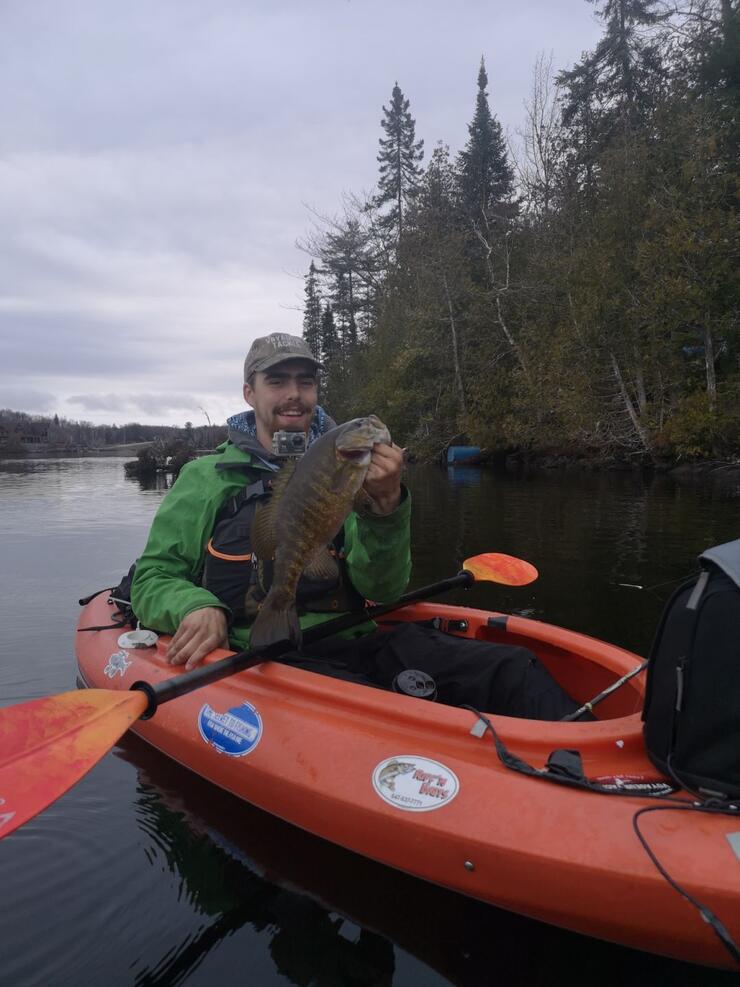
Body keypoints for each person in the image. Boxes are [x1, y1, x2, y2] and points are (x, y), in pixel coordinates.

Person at [132, 332, 584, 720]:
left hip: (360, 639)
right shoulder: (206, 479)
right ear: (250, 393)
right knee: (376, 709)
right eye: (277, 381)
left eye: (305, 382)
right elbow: (153, 577)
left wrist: (386, 508)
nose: (294, 393)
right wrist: (194, 605)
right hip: (264, 655)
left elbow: (383, 590)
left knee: (515, 669)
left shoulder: (347, 468)